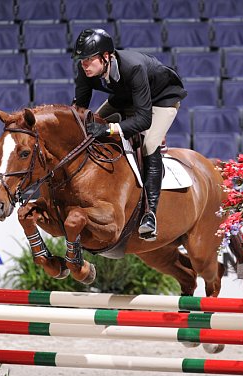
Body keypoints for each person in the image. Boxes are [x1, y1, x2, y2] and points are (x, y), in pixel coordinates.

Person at [72, 28, 187, 241]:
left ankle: (150, 215)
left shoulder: (133, 67)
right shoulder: (85, 70)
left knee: (149, 143)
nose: (84, 65)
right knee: (91, 127)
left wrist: (109, 129)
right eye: (81, 60)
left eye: (88, 60)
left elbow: (143, 119)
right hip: (127, 96)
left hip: (161, 99)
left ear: (106, 57)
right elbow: (80, 109)